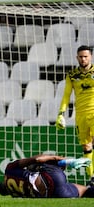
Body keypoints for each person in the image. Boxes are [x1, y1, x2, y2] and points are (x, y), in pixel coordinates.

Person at [56, 45, 94, 184]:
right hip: (81, 115)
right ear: (77, 58)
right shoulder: (72, 75)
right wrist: (61, 113)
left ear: (90, 57)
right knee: (86, 147)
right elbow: (66, 95)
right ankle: (92, 178)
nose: (83, 59)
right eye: (81, 57)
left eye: (86, 56)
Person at [0, 154, 94, 198]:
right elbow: (38, 159)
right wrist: (56, 157)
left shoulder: (15, 194)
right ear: (3, 182)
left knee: (84, 191)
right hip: (51, 176)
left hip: (56, 194)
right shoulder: (9, 170)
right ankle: (71, 161)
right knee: (38, 163)